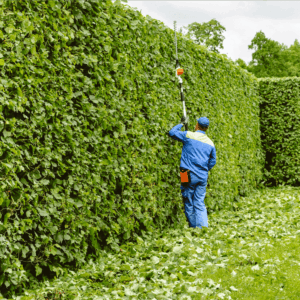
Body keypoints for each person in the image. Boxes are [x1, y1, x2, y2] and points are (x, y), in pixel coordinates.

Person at [168, 117, 216, 229]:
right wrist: (204, 169)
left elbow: (172, 133)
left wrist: (181, 124)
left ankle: (193, 227)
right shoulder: (210, 143)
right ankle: (203, 228)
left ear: (196, 125)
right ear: (207, 128)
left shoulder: (188, 135)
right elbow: (212, 161)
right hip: (202, 175)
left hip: (185, 172)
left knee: (187, 199)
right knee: (199, 201)